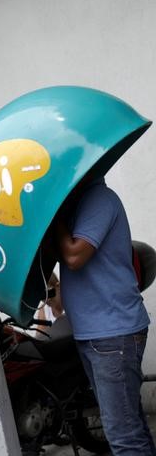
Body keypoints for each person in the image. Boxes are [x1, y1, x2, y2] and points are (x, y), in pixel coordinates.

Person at [56, 175, 155, 455]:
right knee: (130, 427)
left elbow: (74, 256)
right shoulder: (78, 205)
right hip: (97, 334)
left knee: (123, 437)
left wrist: (56, 220)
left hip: (112, 335)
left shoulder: (98, 200)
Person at [32, 273, 64, 339]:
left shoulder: (72, 304)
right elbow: (39, 337)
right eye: (42, 297)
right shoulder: (44, 310)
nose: (46, 301)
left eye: (48, 295)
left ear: (58, 286)